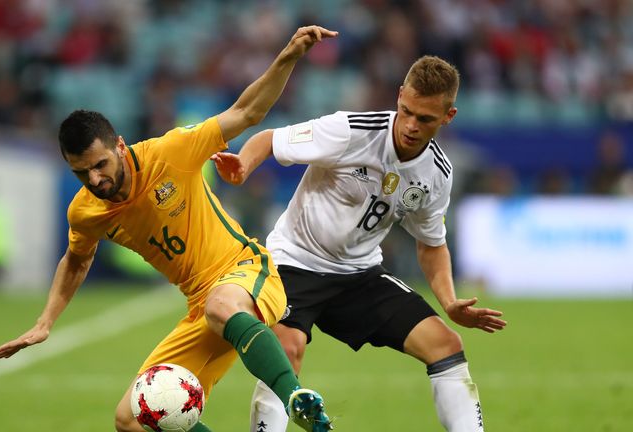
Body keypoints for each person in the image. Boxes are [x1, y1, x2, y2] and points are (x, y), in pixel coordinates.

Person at [0, 26, 338, 432]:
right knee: (132, 419)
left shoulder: (170, 153)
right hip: (201, 308)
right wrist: (45, 322)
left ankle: (294, 396)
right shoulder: (85, 212)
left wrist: (288, 57)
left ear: (119, 146)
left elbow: (247, 112)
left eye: (100, 164)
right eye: (81, 172)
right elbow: (76, 260)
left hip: (245, 272)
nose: (95, 179)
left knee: (220, 305)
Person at [211, 55, 508, 432]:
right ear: (399, 96)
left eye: (426, 119)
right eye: (407, 111)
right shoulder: (350, 131)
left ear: (448, 116)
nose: (412, 126)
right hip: (295, 262)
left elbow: (431, 244)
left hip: (359, 274)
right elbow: (270, 139)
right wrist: (243, 164)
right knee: (287, 351)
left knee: (446, 344)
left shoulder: (437, 174)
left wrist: (449, 301)